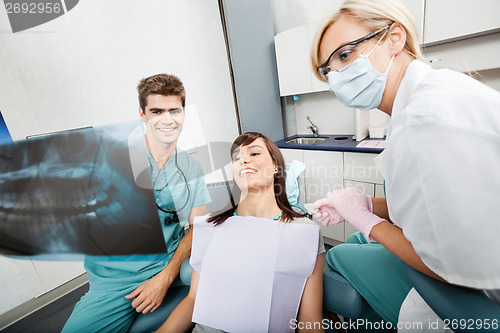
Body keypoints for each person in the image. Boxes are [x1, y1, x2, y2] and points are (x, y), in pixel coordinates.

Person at [310, 0, 500, 328]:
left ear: (394, 37)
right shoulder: (425, 98)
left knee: (340, 252)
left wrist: (365, 219)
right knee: (356, 242)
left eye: (344, 54)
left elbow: (444, 266)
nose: (336, 76)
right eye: (328, 70)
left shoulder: (423, 119)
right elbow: (435, 204)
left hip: (474, 294)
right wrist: (367, 204)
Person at [63, 74, 211, 332]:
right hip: (117, 278)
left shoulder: (191, 168)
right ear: (142, 114)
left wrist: (165, 277)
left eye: (174, 110)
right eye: (156, 111)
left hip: (167, 264)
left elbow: (196, 228)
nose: (167, 119)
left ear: (183, 113)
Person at [157, 132, 326, 333]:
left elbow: (310, 322)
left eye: (254, 153)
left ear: (276, 167)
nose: (243, 159)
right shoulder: (211, 226)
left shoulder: (304, 234)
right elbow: (194, 300)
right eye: (236, 158)